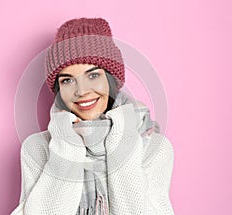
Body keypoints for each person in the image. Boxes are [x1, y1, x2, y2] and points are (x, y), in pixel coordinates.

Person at [11, 18, 175, 215]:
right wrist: (67, 146)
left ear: (111, 79)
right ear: (58, 89)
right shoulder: (36, 148)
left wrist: (122, 139)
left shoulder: (153, 147)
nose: (81, 91)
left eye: (93, 75)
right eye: (68, 80)